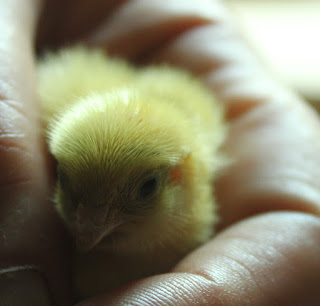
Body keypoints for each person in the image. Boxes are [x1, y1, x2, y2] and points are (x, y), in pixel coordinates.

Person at [1, 0, 320, 305]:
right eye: (67, 180)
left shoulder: (190, 151)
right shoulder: (51, 104)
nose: (88, 229)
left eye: (145, 189)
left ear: (180, 175)